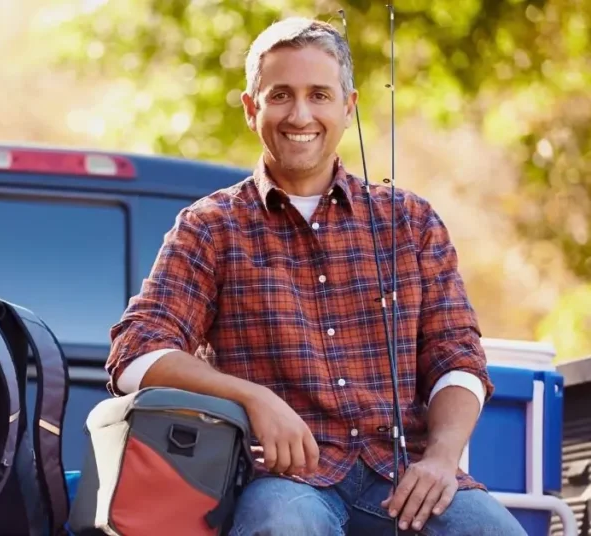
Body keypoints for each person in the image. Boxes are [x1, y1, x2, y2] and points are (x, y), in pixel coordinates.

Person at [105, 17, 528, 536]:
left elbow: (458, 356)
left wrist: (442, 458)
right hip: (283, 481)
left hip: (406, 475)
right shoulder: (211, 226)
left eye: (319, 95)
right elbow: (136, 351)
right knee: (283, 525)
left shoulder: (410, 221)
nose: (300, 114)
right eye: (280, 94)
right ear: (250, 107)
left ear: (348, 107)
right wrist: (253, 397)